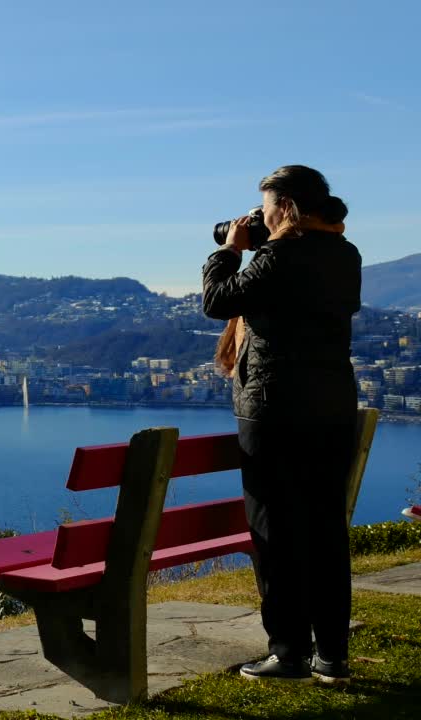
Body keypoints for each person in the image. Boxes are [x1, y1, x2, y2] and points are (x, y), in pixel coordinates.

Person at [201, 165, 361, 684]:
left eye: (266, 206)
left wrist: (227, 250)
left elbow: (217, 301)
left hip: (274, 410)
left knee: (275, 534)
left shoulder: (281, 255)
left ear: (287, 206)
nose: (259, 216)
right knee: (325, 532)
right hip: (333, 407)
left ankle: (288, 652)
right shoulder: (345, 253)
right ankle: (332, 654)